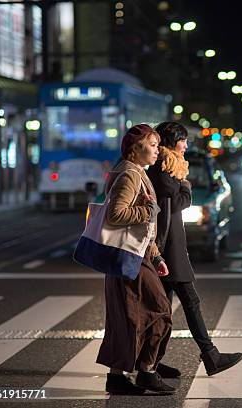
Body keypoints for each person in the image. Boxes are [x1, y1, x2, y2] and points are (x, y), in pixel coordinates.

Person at [147, 121, 242, 376]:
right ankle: (210, 356)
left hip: (171, 244)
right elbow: (179, 200)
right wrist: (186, 186)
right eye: (183, 140)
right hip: (166, 248)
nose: (186, 145)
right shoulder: (162, 168)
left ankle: (152, 362)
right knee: (189, 301)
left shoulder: (170, 166)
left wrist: (183, 185)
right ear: (172, 141)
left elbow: (176, 199)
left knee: (163, 309)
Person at [96, 124, 180, 395]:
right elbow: (116, 215)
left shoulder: (133, 172)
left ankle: (119, 376)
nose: (157, 150)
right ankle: (146, 371)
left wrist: (155, 257)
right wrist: (147, 210)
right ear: (136, 148)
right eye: (153, 145)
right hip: (129, 257)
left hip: (136, 255)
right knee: (160, 310)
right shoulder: (130, 175)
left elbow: (143, 229)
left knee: (126, 316)